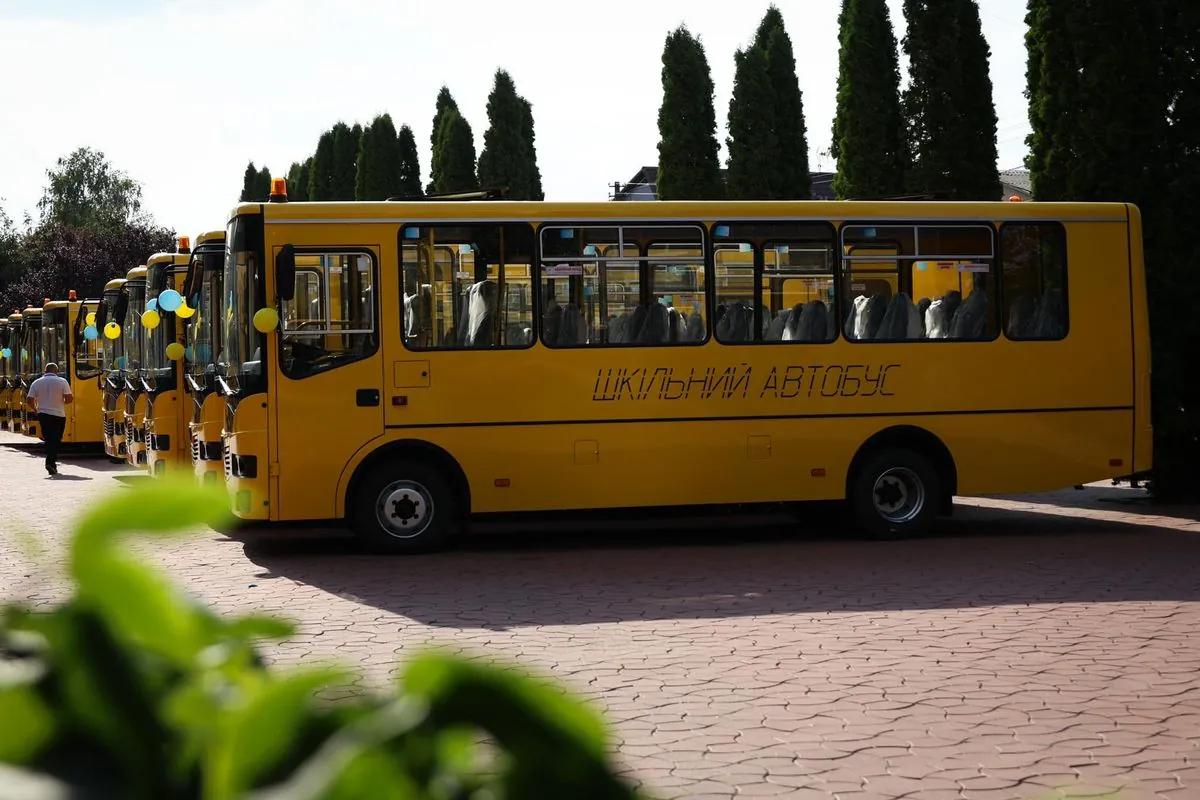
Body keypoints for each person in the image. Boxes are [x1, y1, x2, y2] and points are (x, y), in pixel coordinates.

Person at [26, 362, 73, 476]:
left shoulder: (37, 382)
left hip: (43, 414)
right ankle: (50, 462)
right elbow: (69, 398)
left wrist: (36, 409)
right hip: (58, 415)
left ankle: (50, 461)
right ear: (56, 371)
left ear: (45, 371)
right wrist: (62, 403)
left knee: (48, 437)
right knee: (56, 438)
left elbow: (29, 399)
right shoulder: (62, 381)